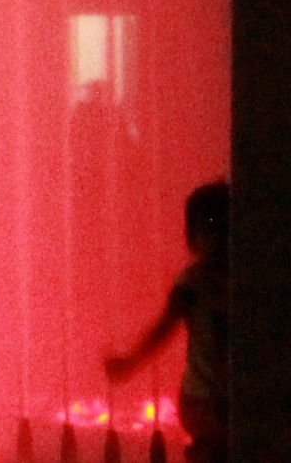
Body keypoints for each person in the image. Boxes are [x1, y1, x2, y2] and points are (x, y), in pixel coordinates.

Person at [105, 177, 229, 462]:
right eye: (208, 226)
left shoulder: (246, 279)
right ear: (193, 235)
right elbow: (162, 330)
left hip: (227, 394)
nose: (217, 235)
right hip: (204, 396)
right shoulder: (192, 284)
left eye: (224, 225)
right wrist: (130, 362)